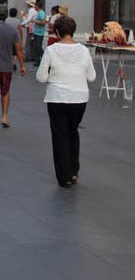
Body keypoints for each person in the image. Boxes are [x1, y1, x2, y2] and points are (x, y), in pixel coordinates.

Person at [36, 15, 96, 188]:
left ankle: (65, 176)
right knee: (72, 132)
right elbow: (92, 77)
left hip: (57, 97)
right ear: (73, 31)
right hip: (79, 98)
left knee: (60, 135)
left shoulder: (51, 50)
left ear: (56, 31)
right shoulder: (84, 50)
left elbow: (41, 77)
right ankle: (74, 171)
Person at [5, 6, 23, 71]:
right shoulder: (18, 21)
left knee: (8, 51)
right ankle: (14, 63)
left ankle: (8, 63)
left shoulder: (6, 20)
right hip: (15, 38)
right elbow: (20, 30)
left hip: (7, 38)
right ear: (16, 14)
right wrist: (21, 38)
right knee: (16, 52)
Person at [31, 0, 47, 66]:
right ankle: (38, 61)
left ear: (37, 6)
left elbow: (43, 22)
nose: (34, 6)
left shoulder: (41, 13)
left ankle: (45, 59)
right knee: (36, 47)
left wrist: (35, 21)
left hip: (40, 33)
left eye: (35, 5)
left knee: (38, 47)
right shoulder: (38, 12)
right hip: (36, 32)